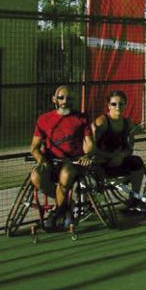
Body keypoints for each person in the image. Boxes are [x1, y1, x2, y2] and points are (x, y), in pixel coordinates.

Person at [29, 85, 93, 228]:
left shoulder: (81, 118)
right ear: (54, 99)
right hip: (50, 161)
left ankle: (57, 212)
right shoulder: (44, 119)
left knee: (65, 174)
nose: (65, 101)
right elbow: (34, 147)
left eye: (68, 98)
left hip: (73, 162)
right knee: (35, 177)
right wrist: (41, 159)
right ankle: (67, 205)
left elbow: (89, 142)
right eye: (61, 98)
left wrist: (87, 155)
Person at [91, 90, 146, 211]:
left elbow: (130, 148)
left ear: (125, 105)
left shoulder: (128, 123)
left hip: (118, 160)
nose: (118, 107)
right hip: (101, 162)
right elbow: (91, 148)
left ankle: (134, 199)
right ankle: (97, 202)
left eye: (121, 104)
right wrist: (109, 157)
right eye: (114, 104)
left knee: (137, 162)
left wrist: (121, 156)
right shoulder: (102, 122)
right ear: (108, 106)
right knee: (94, 169)